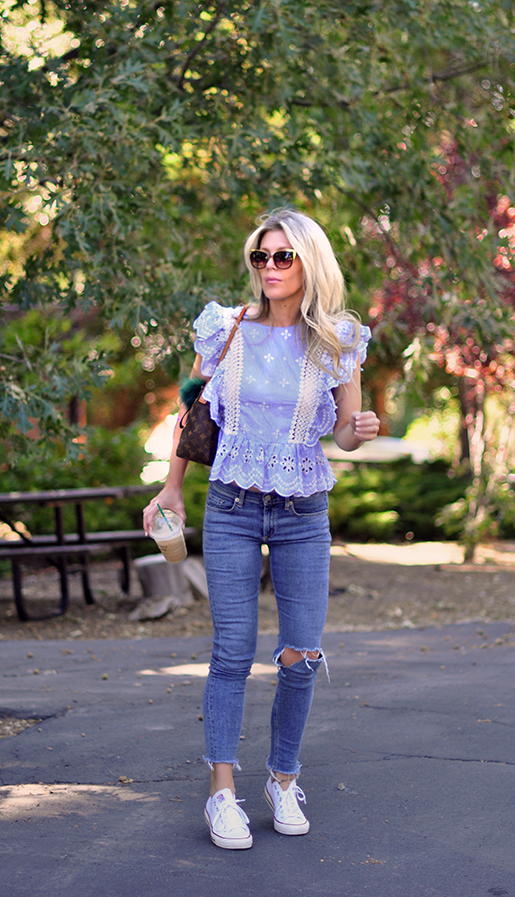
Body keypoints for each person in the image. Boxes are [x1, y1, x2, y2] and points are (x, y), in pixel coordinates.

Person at [143, 208, 380, 849]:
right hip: (232, 505)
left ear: (310, 262)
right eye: (260, 257)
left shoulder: (339, 339)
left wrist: (357, 433)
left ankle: (283, 779)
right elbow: (189, 404)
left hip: (303, 509)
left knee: (301, 653)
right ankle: (222, 792)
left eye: (283, 256)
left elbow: (346, 433)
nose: (269, 268)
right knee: (231, 653)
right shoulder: (225, 328)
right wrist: (170, 489)